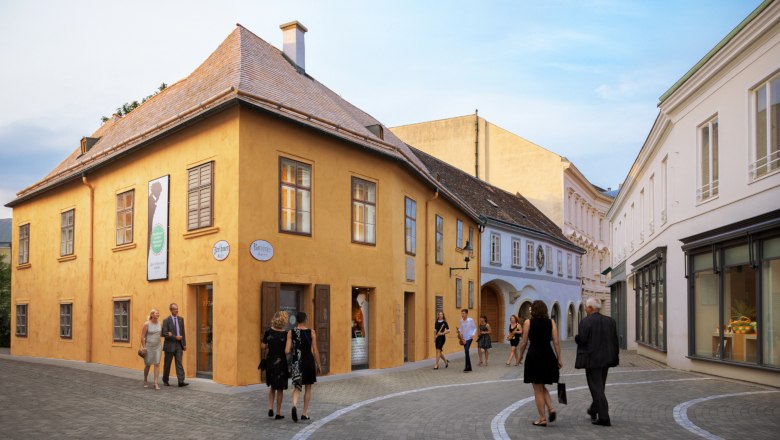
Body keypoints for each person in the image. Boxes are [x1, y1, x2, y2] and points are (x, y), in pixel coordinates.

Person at [575, 297, 619, 427]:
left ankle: (604, 418)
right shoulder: (610, 321)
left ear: (590, 308)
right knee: (600, 386)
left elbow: (582, 340)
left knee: (596, 388)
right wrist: (615, 356)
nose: (585, 308)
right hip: (606, 359)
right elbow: (615, 340)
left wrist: (577, 338)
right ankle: (593, 409)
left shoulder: (586, 322)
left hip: (592, 360)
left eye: (586, 306)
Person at [518, 300, 562, 427]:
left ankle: (542, 418)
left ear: (534, 310)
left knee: (537, 389)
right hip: (548, 355)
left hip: (534, 356)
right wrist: (559, 358)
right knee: (542, 386)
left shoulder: (528, 322)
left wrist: (520, 356)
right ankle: (551, 408)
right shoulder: (551, 322)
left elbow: (524, 342)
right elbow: (556, 342)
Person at [285, 312, 321, 422]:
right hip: (308, 361)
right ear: (305, 319)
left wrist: (294, 349)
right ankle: (304, 413)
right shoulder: (312, 332)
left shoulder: (291, 332)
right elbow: (315, 351)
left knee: (297, 387)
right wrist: (318, 364)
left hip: (297, 362)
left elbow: (286, 350)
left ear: (296, 320)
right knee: (308, 387)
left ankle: (294, 405)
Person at [262, 311, 289, 420]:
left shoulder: (268, 332)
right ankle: (278, 413)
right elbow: (287, 351)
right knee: (280, 389)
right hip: (281, 363)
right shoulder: (286, 334)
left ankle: (270, 408)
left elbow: (263, 346)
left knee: (272, 387)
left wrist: (270, 345)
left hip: (270, 361)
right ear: (284, 321)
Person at [162, 303, 188, 387]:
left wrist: (184, 344)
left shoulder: (181, 319)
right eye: (174, 309)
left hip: (179, 345)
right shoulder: (166, 320)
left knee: (179, 363)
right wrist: (174, 337)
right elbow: (164, 333)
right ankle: (165, 380)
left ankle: (181, 381)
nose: (176, 310)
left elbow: (183, 332)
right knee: (167, 364)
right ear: (171, 310)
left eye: (177, 309)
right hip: (169, 345)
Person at [141, 309, 162, 390]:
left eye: (158, 313)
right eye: (156, 313)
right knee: (148, 364)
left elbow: (160, 334)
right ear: (152, 315)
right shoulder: (147, 324)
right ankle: (145, 379)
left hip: (158, 346)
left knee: (157, 363)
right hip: (149, 346)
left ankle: (155, 383)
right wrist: (144, 347)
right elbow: (142, 336)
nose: (158, 314)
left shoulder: (160, 323)